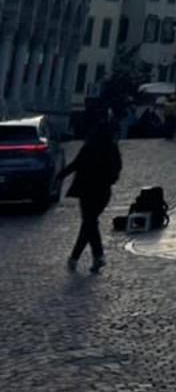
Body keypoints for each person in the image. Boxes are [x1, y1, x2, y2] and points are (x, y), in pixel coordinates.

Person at [59, 113, 122, 273]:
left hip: (86, 190)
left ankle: (85, 257)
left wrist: (60, 176)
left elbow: (75, 164)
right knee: (90, 223)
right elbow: (117, 168)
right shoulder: (112, 148)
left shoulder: (88, 147)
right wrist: (110, 180)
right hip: (103, 191)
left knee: (89, 223)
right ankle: (89, 258)